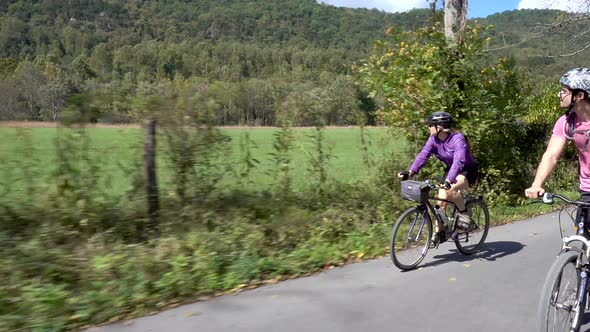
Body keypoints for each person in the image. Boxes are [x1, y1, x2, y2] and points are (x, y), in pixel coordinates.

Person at [399, 111, 479, 242]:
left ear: (440, 127)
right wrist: (411, 172)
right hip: (451, 170)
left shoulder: (457, 138)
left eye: (431, 125)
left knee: (451, 189)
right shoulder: (433, 140)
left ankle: (465, 215)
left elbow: (459, 161)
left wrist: (448, 180)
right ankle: (439, 232)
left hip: (467, 169)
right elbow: (423, 155)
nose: (428, 127)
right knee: (441, 202)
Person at [525, 68, 590, 214]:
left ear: (579, 95)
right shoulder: (566, 122)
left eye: (564, 91)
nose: (559, 94)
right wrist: (537, 184)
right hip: (587, 190)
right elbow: (551, 155)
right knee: (582, 229)